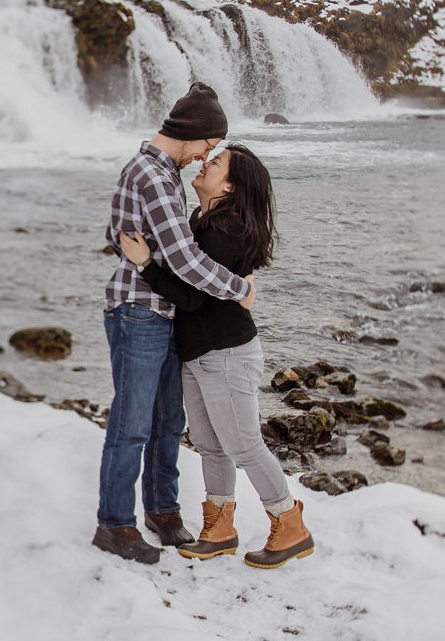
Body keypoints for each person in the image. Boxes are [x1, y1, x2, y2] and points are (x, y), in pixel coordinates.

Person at [118, 142, 315, 570]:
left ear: (229, 186)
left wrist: (146, 263)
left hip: (226, 353)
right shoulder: (204, 220)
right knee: (210, 445)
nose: (206, 162)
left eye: (217, 161)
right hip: (201, 353)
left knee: (243, 444)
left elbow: (192, 297)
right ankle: (219, 529)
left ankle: (290, 524)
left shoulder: (225, 228)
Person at [94, 83, 254, 565]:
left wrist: (144, 255)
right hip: (139, 312)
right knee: (133, 423)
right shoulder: (153, 174)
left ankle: (162, 510)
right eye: (209, 145)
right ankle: (114, 524)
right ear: (193, 133)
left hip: (162, 311)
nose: (205, 157)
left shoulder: (160, 173)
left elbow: (117, 234)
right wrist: (239, 288)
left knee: (169, 422)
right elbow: (183, 258)